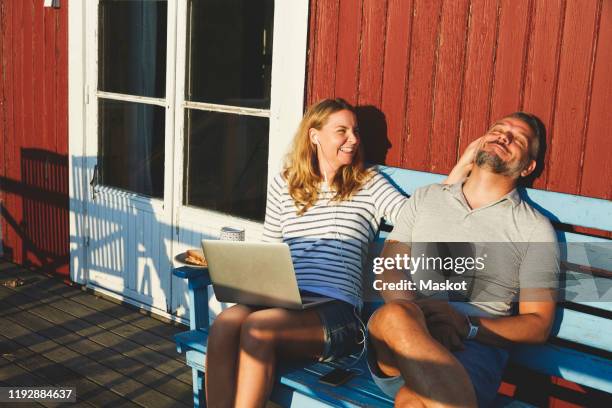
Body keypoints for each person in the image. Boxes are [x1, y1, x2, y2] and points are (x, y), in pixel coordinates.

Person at [205, 98, 474, 407]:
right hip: (286, 301)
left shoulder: (368, 184)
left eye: (355, 131)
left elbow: (415, 215)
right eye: (342, 131)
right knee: (225, 324)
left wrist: (456, 174)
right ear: (314, 135)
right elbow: (270, 246)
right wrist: (250, 284)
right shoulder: (285, 183)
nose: (354, 140)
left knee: (257, 329)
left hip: (337, 314)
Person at [367, 112, 560, 407]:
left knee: (412, 400)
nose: (503, 137)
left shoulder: (533, 228)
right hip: (399, 340)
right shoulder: (426, 198)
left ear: (528, 167)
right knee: (393, 316)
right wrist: (422, 316)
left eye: (517, 139)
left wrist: (466, 325)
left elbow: (538, 324)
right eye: (497, 129)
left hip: (471, 350)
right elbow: (389, 268)